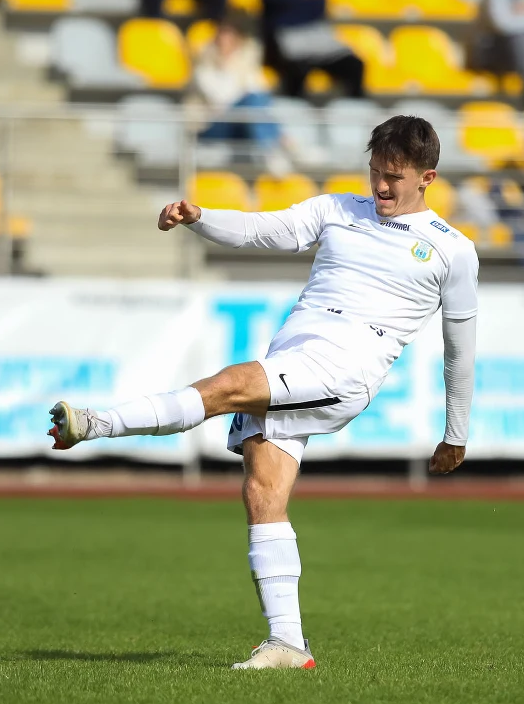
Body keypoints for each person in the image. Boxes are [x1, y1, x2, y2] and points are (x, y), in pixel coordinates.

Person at [49, 116, 479, 669]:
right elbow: (260, 229)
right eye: (374, 172)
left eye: (393, 177)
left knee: (228, 384)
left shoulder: (452, 251)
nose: (379, 188)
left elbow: (459, 348)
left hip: (344, 369)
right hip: (293, 358)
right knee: (262, 492)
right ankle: (287, 644)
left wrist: (456, 431)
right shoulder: (336, 210)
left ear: (428, 177)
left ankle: (95, 424)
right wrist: (200, 219)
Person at [259, 0, 363, 98]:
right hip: (286, 40)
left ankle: (354, 109)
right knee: (296, 70)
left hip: (315, 39)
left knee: (354, 64)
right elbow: (277, 5)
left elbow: (316, 10)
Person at [191, 16, 287, 170]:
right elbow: (220, 101)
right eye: (222, 40)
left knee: (256, 102)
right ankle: (276, 147)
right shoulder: (204, 70)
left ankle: (271, 149)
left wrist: (242, 69)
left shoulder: (247, 66)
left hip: (242, 122)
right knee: (252, 102)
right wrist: (229, 67)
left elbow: (261, 94)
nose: (225, 45)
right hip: (214, 126)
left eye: (230, 40)